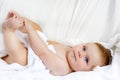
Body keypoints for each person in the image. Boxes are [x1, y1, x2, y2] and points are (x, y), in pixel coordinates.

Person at [1, 11, 112, 76]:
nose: (80, 54)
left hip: (32, 59)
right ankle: (19, 22)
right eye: (84, 48)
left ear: (86, 72)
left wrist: (30, 31)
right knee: (39, 29)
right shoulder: (68, 48)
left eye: (86, 59)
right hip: (36, 44)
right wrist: (34, 31)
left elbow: (43, 52)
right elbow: (48, 42)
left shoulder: (64, 67)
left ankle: (8, 30)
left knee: (22, 58)